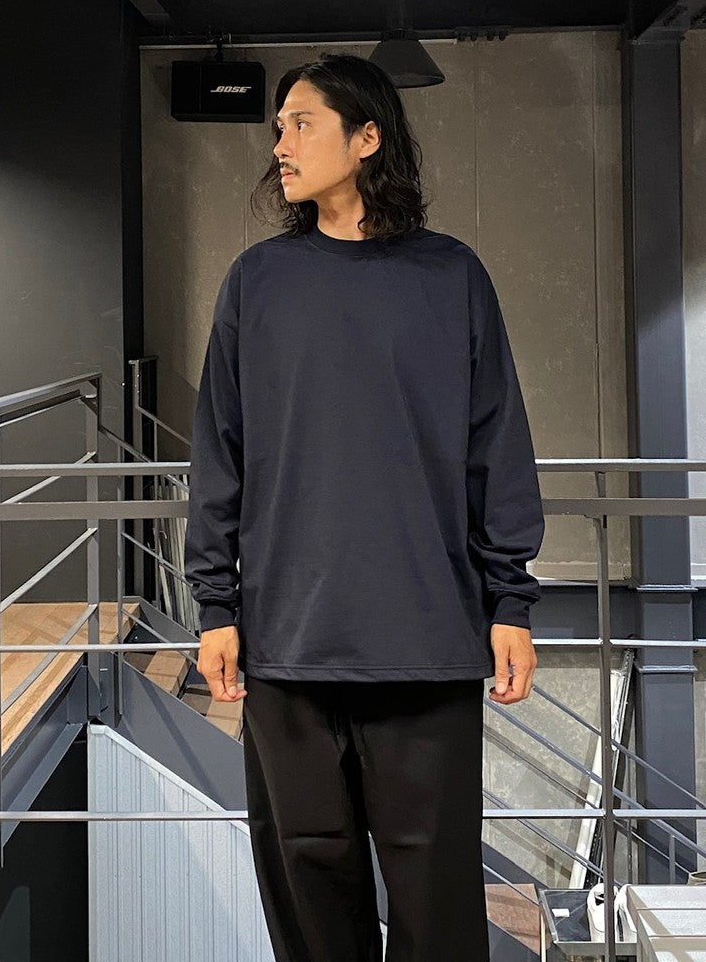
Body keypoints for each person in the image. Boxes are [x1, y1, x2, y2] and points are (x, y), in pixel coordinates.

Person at [182, 53, 545, 962]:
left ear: (367, 137)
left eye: (301, 123)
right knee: (310, 900)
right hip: (287, 645)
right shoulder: (257, 282)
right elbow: (219, 452)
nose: (280, 144)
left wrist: (511, 600)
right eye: (278, 127)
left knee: (437, 905)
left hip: (427, 644)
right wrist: (216, 607)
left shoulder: (451, 276)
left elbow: (496, 442)